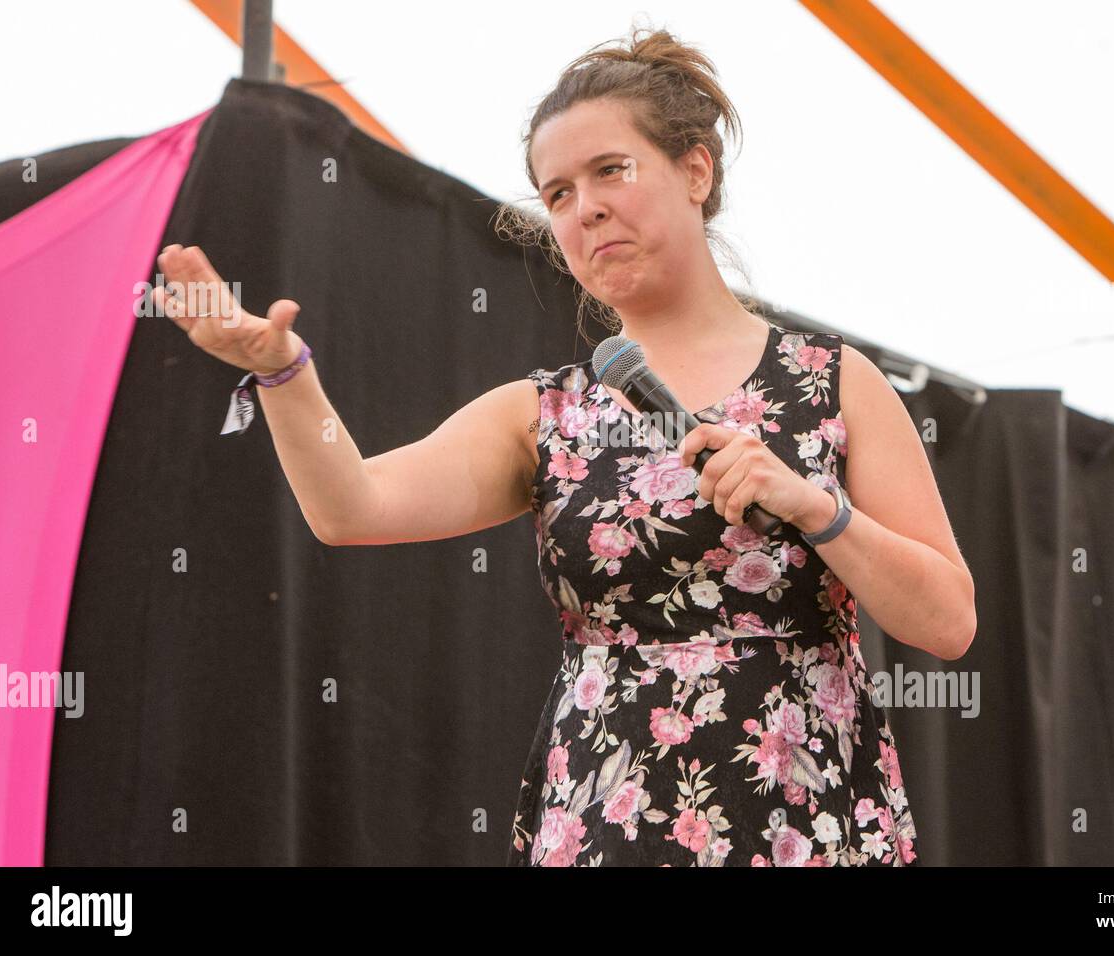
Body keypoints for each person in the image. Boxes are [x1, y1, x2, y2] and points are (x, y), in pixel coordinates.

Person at [155, 24, 974, 867]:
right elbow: (350, 507)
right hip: (606, 819)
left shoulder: (834, 382)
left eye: (611, 170)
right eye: (558, 194)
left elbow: (947, 623)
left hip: (806, 815)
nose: (585, 208)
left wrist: (818, 509)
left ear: (696, 170)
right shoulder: (544, 413)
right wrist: (287, 374)